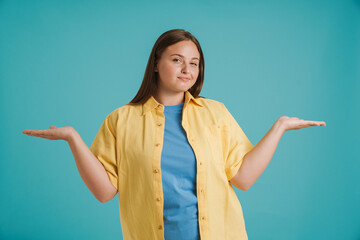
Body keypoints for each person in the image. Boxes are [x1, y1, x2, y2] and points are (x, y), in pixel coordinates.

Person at [22, 29, 326, 240]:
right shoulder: (121, 120)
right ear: (156, 63)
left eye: (194, 63)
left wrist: (279, 128)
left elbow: (243, 178)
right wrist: (73, 138)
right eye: (177, 59)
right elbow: (104, 192)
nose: (187, 69)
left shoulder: (215, 113)